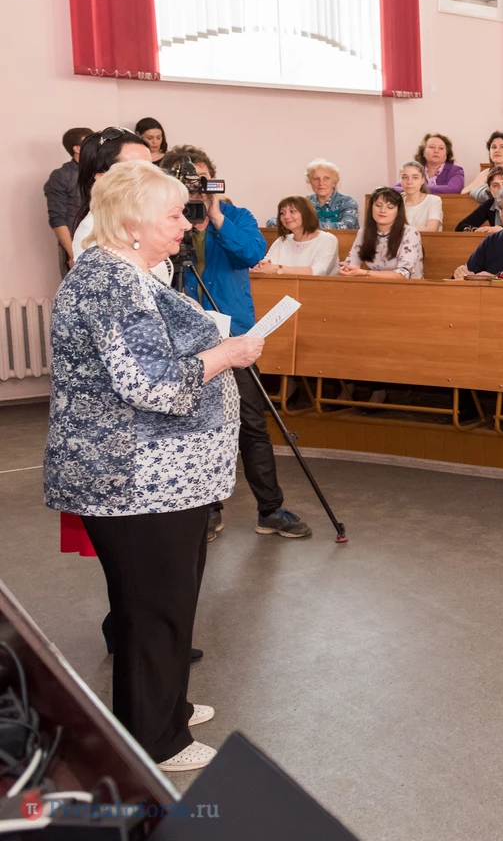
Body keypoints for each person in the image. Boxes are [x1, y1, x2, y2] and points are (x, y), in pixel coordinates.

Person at [45, 159, 266, 773]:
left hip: (159, 479)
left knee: (167, 604)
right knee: (153, 611)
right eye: (173, 215)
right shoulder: (110, 282)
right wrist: (227, 354)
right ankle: (153, 739)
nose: (186, 224)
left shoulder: (127, 272)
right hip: (135, 479)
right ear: (131, 225)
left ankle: (167, 706)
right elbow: (152, 383)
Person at [156, 145, 309, 542]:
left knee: (253, 425)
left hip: (235, 336)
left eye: (202, 180)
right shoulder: (165, 222)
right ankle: (207, 511)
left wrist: (216, 214)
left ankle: (270, 509)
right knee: (197, 428)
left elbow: (253, 253)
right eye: (188, 181)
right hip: (187, 342)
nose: (196, 187)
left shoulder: (236, 216)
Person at [72, 129, 171, 281]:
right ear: (102, 177)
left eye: (150, 168)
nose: (150, 177)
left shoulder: (140, 217)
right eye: (136, 170)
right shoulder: (92, 230)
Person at [341, 188, 423, 279]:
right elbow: (351, 263)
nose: (383, 210)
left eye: (390, 207)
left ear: (398, 212)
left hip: (407, 286)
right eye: (378, 205)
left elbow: (403, 274)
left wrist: (365, 273)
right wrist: (346, 269)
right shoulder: (364, 232)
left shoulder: (410, 233)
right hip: (374, 285)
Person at [45, 126, 93, 275]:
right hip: (78, 244)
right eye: (90, 143)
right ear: (77, 149)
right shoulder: (61, 176)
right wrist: (73, 254)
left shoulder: (103, 170)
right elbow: (57, 219)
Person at [255, 196, 340, 276]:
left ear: (306, 214)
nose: (286, 216)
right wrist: (260, 268)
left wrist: (277, 269)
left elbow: (318, 272)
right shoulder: (281, 241)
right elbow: (266, 265)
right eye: (282, 213)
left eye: (292, 211)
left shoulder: (327, 239)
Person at [303, 159, 359, 229]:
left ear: (334, 181)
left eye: (326, 178)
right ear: (310, 181)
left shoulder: (348, 202)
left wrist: (309, 227)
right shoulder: (304, 203)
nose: (321, 183)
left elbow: (347, 226)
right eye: (316, 178)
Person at [456, 167, 503, 232]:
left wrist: (501, 229)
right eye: (495, 185)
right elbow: (461, 227)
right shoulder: (490, 204)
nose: (501, 188)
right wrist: (477, 230)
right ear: (490, 190)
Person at [397, 161, 443, 231]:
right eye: (405, 177)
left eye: (415, 178)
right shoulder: (396, 201)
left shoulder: (434, 200)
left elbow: (431, 229)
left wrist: (401, 229)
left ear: (422, 180)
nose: (409, 182)